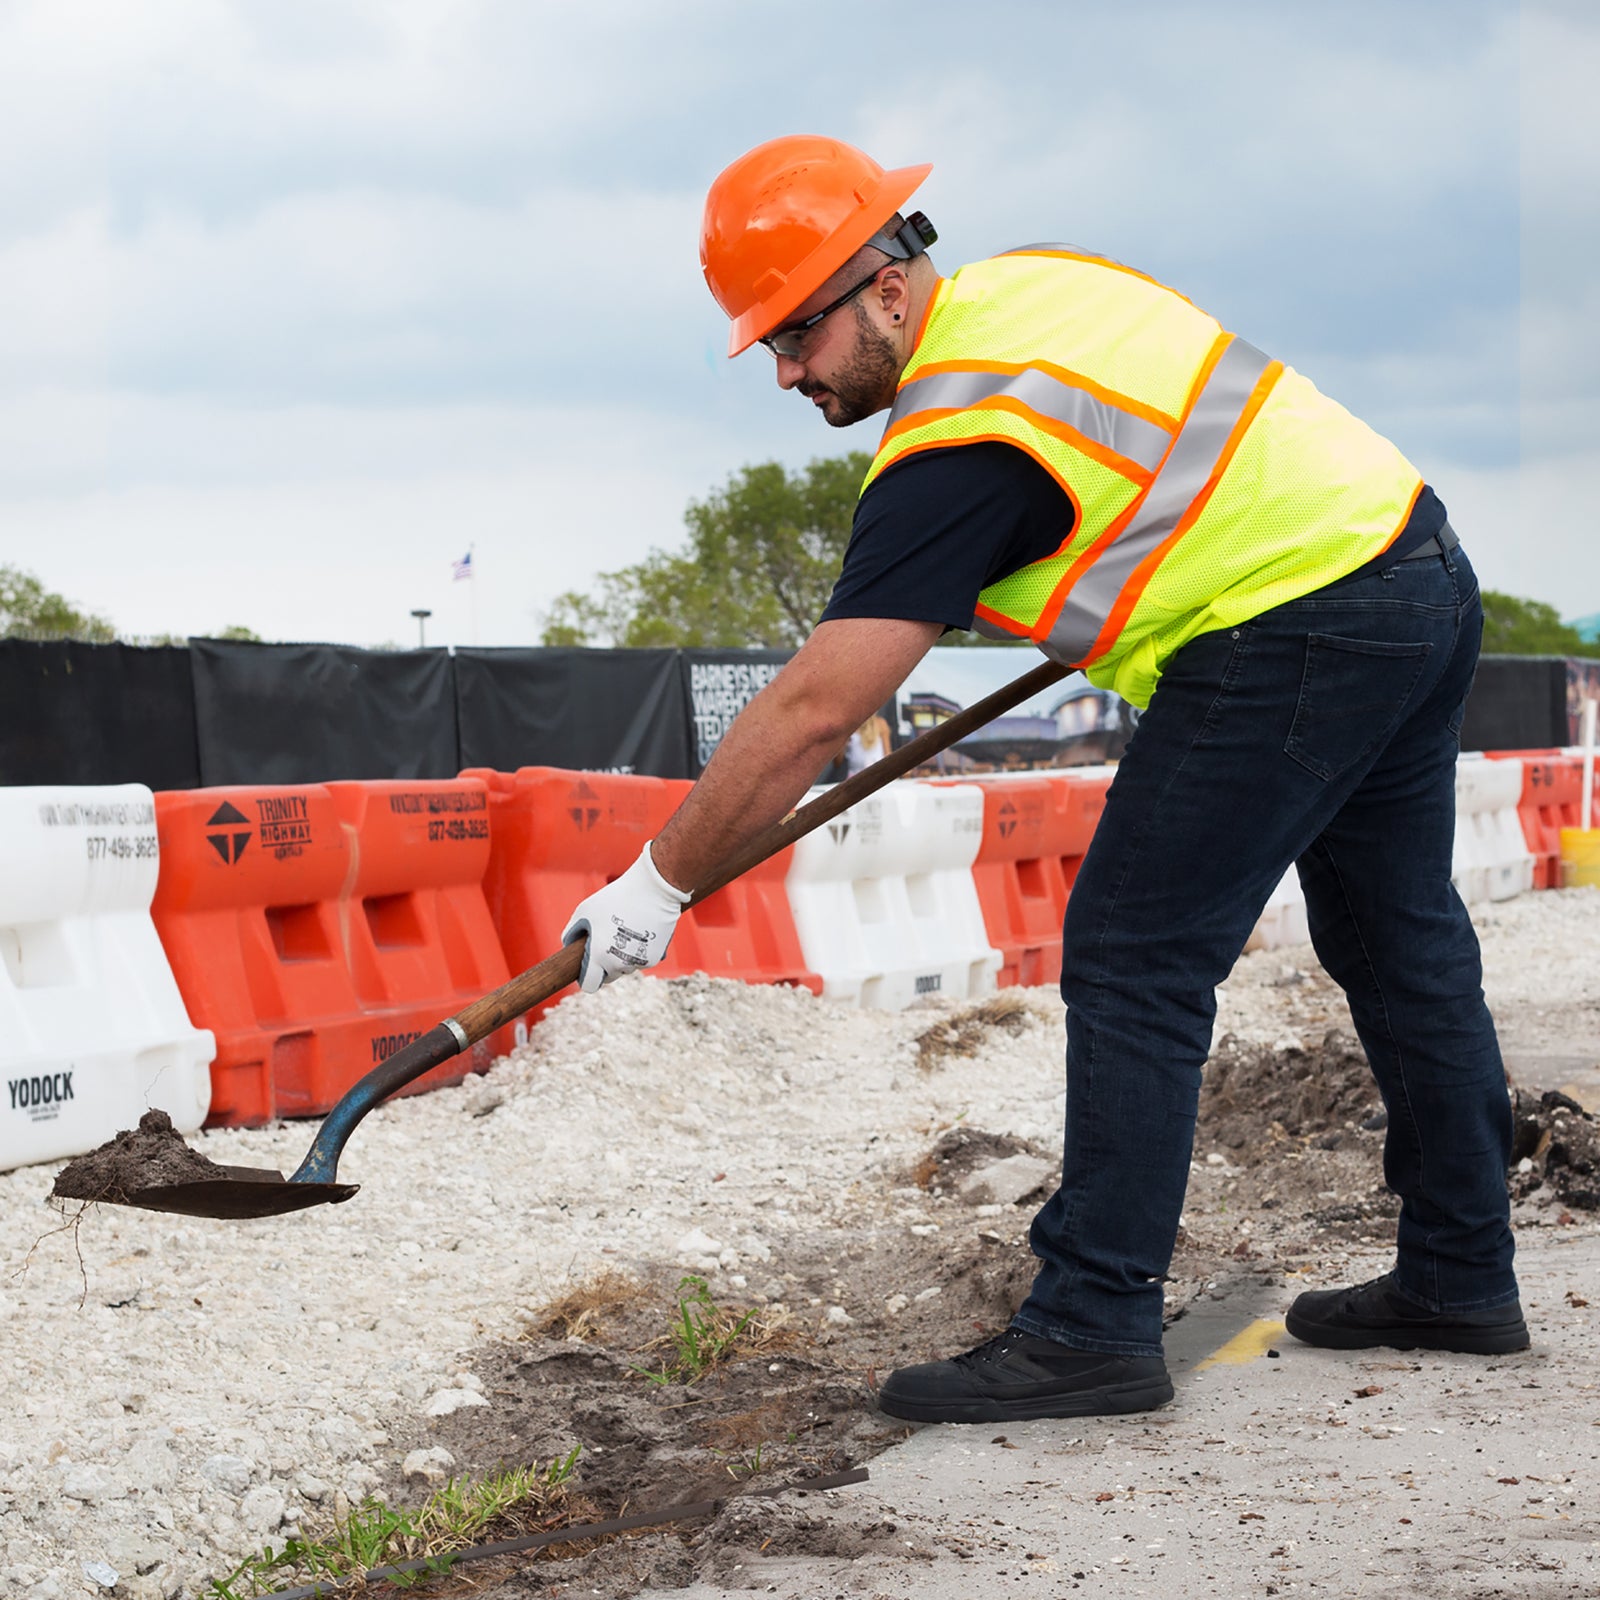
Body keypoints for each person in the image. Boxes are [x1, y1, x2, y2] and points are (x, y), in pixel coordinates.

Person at [561, 135, 1526, 1424]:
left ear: (889, 289)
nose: (787, 372)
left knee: (1136, 949)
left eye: (797, 335)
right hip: (1410, 562)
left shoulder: (962, 440)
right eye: (770, 347)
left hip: (1296, 621)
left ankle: (1091, 1324)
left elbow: (812, 710)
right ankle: (1461, 1273)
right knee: (1398, 934)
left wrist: (657, 881)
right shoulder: (1034, 291)